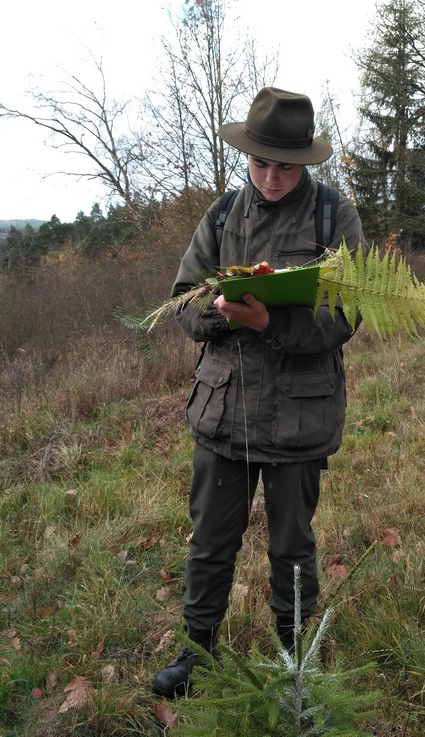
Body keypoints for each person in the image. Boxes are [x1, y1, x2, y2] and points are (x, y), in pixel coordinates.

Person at [152, 86, 366, 699]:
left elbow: (349, 312)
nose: (271, 178)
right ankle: (196, 650)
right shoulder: (222, 216)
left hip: (301, 413)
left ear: (307, 161)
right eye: (260, 163)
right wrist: (221, 312)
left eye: (286, 166)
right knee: (211, 537)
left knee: (292, 543)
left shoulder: (334, 217)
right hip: (224, 410)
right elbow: (182, 302)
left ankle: (292, 653)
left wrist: (273, 324)